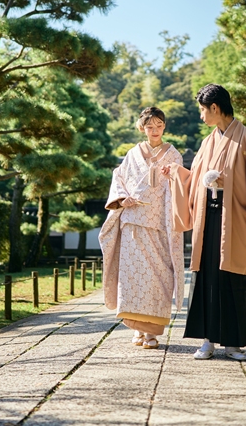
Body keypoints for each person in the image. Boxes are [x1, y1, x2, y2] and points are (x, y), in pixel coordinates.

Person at [166, 84, 246, 361]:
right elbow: (195, 180)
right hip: (208, 217)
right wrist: (178, 174)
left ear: (215, 108)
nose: (201, 116)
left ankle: (234, 344)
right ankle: (207, 341)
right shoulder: (207, 143)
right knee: (206, 278)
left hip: (236, 218)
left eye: (203, 110)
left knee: (233, 278)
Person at [99, 106, 185, 349]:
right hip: (133, 223)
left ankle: (152, 333)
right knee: (132, 279)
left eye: (159, 126)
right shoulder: (132, 154)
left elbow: (183, 186)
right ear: (142, 128)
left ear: (164, 126)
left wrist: (174, 174)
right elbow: (119, 179)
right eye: (150, 126)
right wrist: (121, 199)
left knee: (158, 279)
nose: (155, 130)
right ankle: (137, 329)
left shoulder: (174, 155)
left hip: (159, 225)